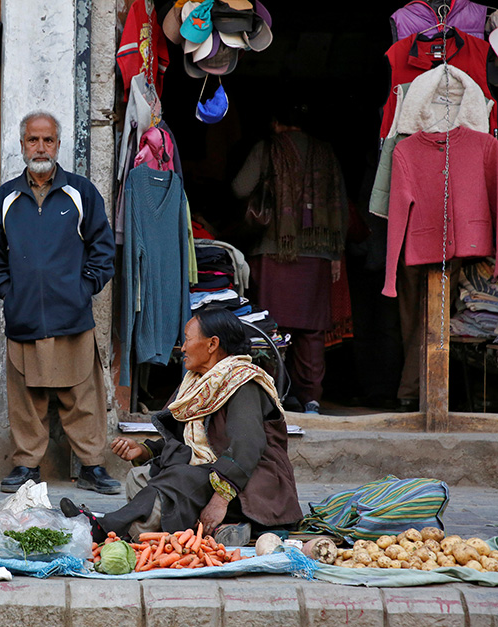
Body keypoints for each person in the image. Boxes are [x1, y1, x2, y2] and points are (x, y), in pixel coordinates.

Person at [62, 308, 302, 545]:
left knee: (179, 477)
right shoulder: (198, 383)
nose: (183, 348)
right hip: (212, 473)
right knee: (140, 476)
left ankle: (105, 529)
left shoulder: (243, 383)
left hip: (253, 485)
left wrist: (220, 500)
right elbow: (188, 442)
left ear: (212, 344)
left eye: (187, 340)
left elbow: (248, 446)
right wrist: (146, 451)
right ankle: (197, 528)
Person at [0, 110, 120, 494]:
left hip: (72, 314)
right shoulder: (6, 197)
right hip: (24, 315)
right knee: (26, 398)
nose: (40, 147)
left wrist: (84, 287)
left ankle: (92, 466)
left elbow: (102, 249)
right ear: (22, 144)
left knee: (82, 395)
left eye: (48, 140)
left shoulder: (80, 192)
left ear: (58, 144)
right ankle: (26, 467)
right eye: (32, 140)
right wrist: (9, 290)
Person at [232, 102, 347, 415]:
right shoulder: (326, 153)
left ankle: (272, 396)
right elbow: (342, 206)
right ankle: (310, 399)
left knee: (270, 329)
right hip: (318, 252)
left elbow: (240, 188)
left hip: (272, 251)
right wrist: (335, 253)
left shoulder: (267, 148)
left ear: (276, 122)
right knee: (311, 332)